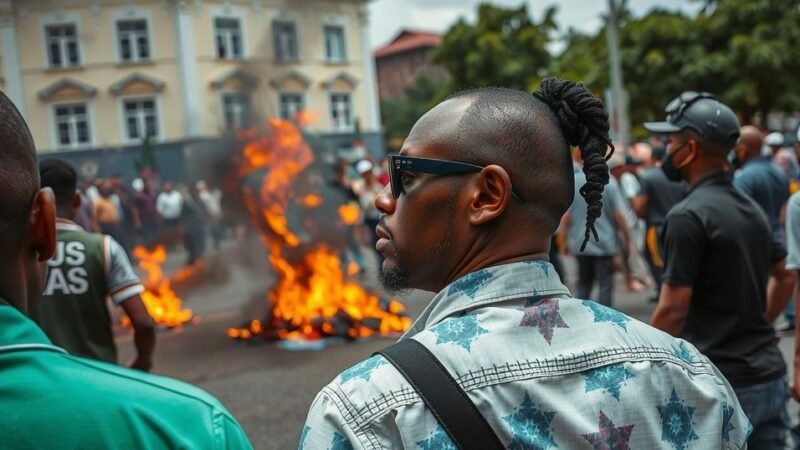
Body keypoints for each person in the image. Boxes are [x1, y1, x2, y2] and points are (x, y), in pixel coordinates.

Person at [300, 80, 749, 448]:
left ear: (487, 195)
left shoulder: (369, 414)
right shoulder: (687, 373)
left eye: (407, 175)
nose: (383, 196)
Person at [0, 91, 252, 448]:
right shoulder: (189, 427)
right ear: (44, 225)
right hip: (96, 387)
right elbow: (143, 321)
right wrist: (141, 365)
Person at [646, 92, 788, 448]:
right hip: (770, 376)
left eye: (671, 141)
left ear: (690, 149)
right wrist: (762, 319)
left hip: (722, 383)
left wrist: (640, 362)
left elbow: (672, 309)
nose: (666, 149)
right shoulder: (751, 208)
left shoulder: (686, 217)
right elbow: (786, 274)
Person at [34, 159, 155, 370]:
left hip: (40, 379)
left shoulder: (19, 255)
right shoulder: (104, 248)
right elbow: (144, 324)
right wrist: (142, 362)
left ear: (36, 203)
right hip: (98, 375)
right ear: (78, 202)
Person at [733, 126, 796, 329]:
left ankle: (763, 323)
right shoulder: (777, 172)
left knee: (763, 286)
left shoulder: (745, 177)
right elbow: (785, 203)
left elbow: (739, 211)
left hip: (757, 240)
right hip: (777, 232)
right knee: (784, 277)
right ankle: (788, 315)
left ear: (744, 150)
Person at [563, 152, 631, 306]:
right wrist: (627, 239)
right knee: (605, 284)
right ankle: (605, 320)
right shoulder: (610, 183)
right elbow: (619, 215)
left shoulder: (574, 182)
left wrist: (565, 239)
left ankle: (582, 318)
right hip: (605, 243)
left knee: (583, 282)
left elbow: (567, 216)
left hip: (580, 242)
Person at [631, 144, 686, 302]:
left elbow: (640, 206)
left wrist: (642, 214)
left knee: (657, 263)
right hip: (681, 226)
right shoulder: (681, 175)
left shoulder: (649, 177)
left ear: (653, 158)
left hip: (656, 228)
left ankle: (665, 297)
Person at [353, 159, 384, 271]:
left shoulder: (378, 186)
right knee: (375, 246)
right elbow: (363, 207)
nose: (367, 175)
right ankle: (382, 270)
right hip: (369, 221)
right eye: (364, 173)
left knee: (383, 246)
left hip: (381, 220)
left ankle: (384, 270)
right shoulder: (359, 187)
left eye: (368, 172)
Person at [198, 180, 224, 249]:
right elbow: (203, 206)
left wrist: (221, 211)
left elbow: (220, 202)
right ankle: (216, 242)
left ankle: (217, 240)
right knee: (215, 228)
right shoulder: (203, 195)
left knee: (217, 227)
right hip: (210, 214)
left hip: (217, 212)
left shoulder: (217, 192)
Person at [156, 181, 183, 247]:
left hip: (177, 217)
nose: (167, 188)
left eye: (169, 186)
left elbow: (182, 203)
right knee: (168, 232)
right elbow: (159, 208)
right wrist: (162, 216)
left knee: (177, 232)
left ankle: (177, 244)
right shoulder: (162, 196)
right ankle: (169, 245)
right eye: (166, 187)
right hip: (167, 218)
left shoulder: (177, 195)